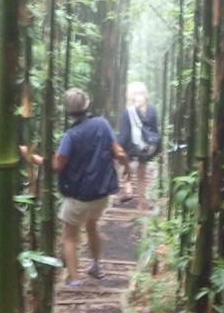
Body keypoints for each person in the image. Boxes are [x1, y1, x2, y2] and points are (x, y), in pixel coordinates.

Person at [22, 87, 129, 286]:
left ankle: (74, 280)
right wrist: (126, 167)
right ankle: (97, 265)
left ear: (68, 111)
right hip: (101, 196)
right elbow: (119, 153)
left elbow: (56, 166)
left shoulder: (70, 136)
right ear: (86, 104)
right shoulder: (102, 124)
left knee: (69, 236)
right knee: (92, 225)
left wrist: (31, 157)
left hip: (79, 197)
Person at [117, 81, 159, 211]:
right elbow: (156, 131)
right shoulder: (152, 110)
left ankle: (128, 187)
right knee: (142, 173)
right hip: (145, 146)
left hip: (130, 145)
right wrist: (159, 149)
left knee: (124, 165)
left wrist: (117, 148)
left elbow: (124, 134)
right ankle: (141, 203)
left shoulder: (128, 111)